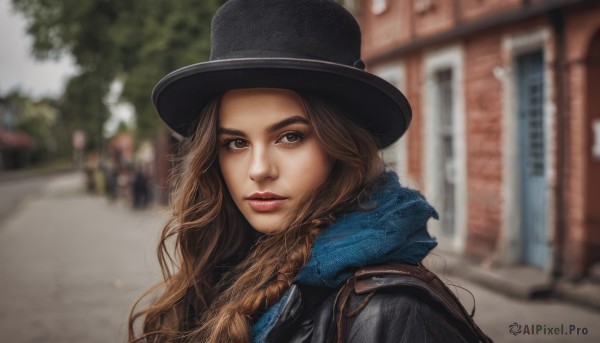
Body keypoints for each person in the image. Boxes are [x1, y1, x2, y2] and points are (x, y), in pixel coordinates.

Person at [129, 0, 492, 342]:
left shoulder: (391, 314)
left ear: (342, 145)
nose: (259, 170)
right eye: (236, 143)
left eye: (290, 136)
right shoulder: (224, 266)